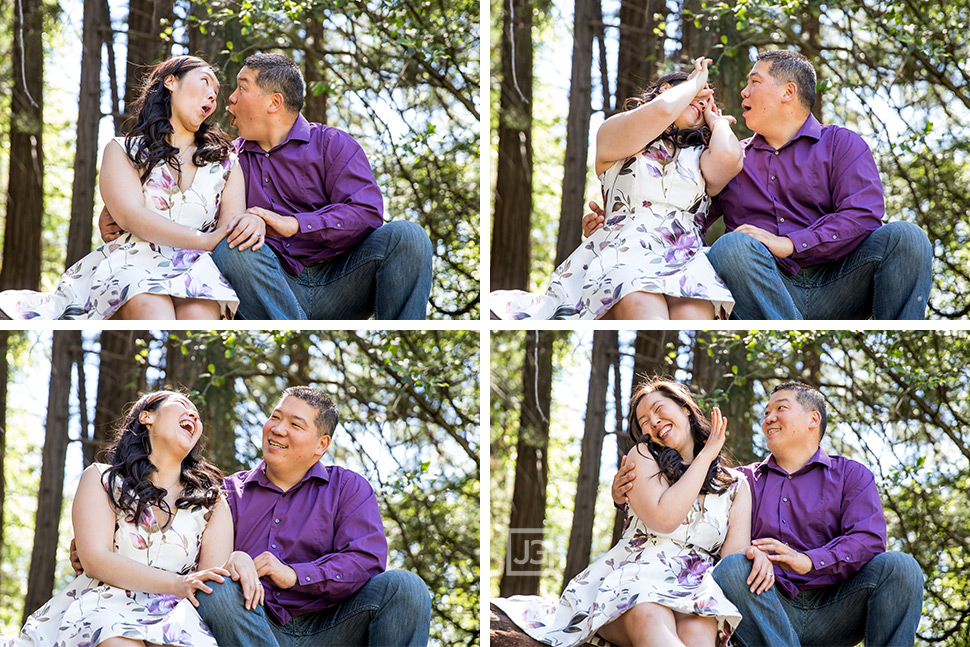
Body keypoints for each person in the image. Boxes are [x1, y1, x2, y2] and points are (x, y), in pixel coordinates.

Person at [586, 50, 933, 320]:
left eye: (754, 82)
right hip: (763, 291)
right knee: (731, 248)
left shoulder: (841, 144)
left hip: (839, 285)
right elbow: (688, 219)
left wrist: (788, 244)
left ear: (788, 92)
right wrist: (624, 221)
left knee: (907, 237)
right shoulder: (733, 159)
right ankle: (790, 329)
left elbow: (863, 214)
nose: (743, 90)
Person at [102, 53, 433, 320]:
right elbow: (182, 195)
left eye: (241, 88)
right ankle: (294, 329)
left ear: (273, 102)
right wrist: (115, 210)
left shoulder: (332, 145)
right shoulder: (226, 159)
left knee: (408, 236)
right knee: (233, 246)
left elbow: (367, 213)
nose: (227, 100)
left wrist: (293, 225)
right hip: (267, 286)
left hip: (341, 283)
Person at [612, 382, 924, 646]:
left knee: (900, 567)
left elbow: (868, 541)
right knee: (734, 567)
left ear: (814, 418)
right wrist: (627, 497)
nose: (768, 418)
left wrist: (810, 560)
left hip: (835, 608)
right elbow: (690, 507)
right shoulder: (739, 481)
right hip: (765, 607)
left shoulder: (851, 475)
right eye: (765, 413)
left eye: (780, 409)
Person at [494, 380, 769, 647]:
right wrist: (706, 456)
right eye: (644, 421)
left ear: (685, 407)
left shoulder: (735, 485)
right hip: (637, 581)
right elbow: (664, 519)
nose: (654, 421)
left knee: (698, 633)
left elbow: (731, 561)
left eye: (659, 409)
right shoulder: (644, 457)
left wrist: (756, 555)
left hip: (697, 590)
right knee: (649, 615)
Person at [0, 56, 263, 320]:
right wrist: (202, 240)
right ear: (171, 82)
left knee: (199, 315)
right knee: (151, 307)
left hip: (198, 268)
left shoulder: (227, 162)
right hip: (134, 261)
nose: (213, 96)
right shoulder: (122, 150)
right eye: (205, 82)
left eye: (216, 93)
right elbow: (129, 215)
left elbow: (229, 229)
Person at [490, 56, 742, 320]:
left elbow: (730, 159)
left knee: (693, 317)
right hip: (628, 251)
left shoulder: (702, 154)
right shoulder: (614, 131)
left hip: (687, 256)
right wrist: (694, 83)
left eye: (705, 101)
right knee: (645, 308)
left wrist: (718, 122)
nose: (702, 101)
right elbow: (662, 111)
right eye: (695, 94)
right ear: (667, 91)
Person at [5, 390, 263, 646]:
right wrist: (177, 583)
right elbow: (95, 560)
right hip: (105, 605)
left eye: (197, 414)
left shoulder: (212, 502)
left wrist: (235, 560)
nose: (193, 414)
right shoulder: (102, 479)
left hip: (180, 619)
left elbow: (209, 584)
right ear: (146, 417)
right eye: (181, 404)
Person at [190, 386, 432, 646]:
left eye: (295, 424)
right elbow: (207, 573)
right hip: (252, 624)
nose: (278, 429)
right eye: (275, 417)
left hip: (333, 627)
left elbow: (365, 561)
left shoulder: (347, 488)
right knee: (216, 587)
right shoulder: (229, 493)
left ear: (321, 444)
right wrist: (235, 564)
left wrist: (294, 575)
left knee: (406, 586)